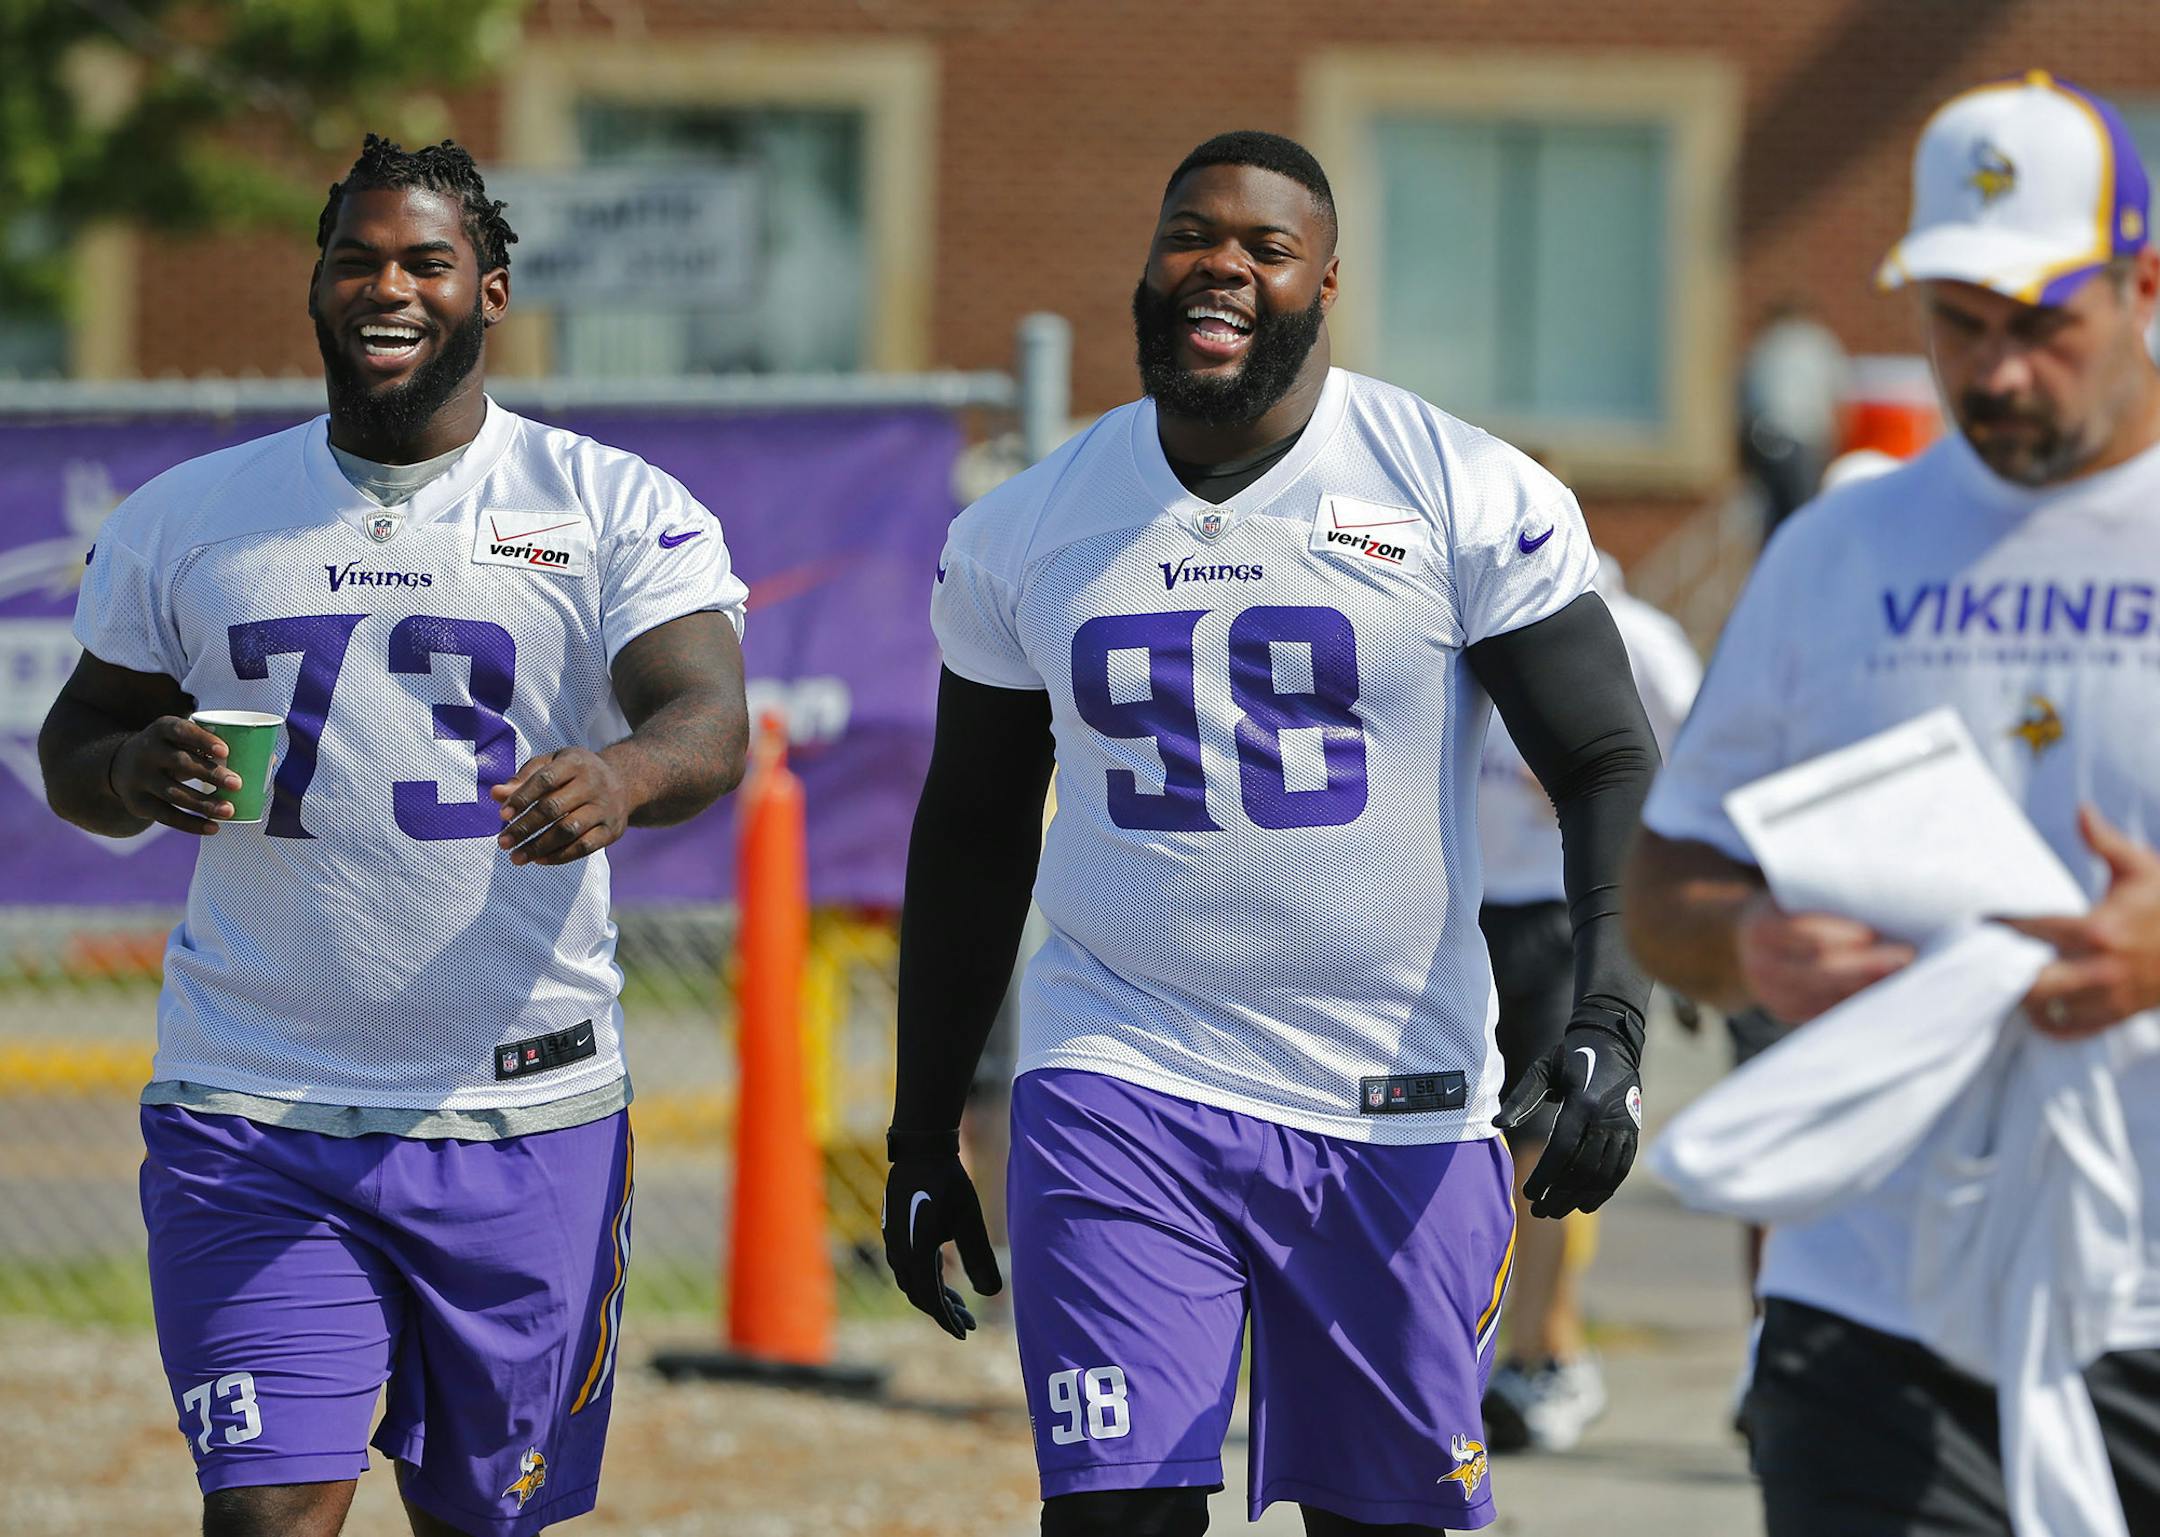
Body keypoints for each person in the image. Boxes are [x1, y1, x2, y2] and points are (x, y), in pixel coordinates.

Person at [882, 130, 1660, 1536]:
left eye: (1266, 247)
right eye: (1191, 235)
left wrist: (1613, 1015)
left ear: (1326, 283)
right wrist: (923, 1125)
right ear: (1147, 263)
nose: (1220, 266)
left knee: (1389, 1521)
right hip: (1121, 1075)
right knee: (1114, 1519)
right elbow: (974, 830)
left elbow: (1606, 759)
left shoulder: (1455, 486)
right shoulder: (1028, 527)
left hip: (1392, 1095)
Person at [36, 135, 749, 1537]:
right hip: (254, 1096)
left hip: (522, 1106)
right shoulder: (192, 515)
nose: (389, 287)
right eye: (357, 259)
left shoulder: (607, 501)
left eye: (427, 262)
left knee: (485, 1520)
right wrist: (133, 765)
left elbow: (709, 718)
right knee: (270, 1507)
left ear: (490, 291)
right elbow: (75, 750)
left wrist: (620, 776)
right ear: (316, 285)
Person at [1625, 72, 2160, 1535]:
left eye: (2041, 325)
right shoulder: (1836, 551)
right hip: (1871, 1305)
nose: (1995, 373)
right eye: (1958, 323)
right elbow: (1668, 878)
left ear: (2144, 286)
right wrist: (1750, 943)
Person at [1476, 549, 1700, 1452]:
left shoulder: (1638, 633)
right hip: (1461, 906)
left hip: (1568, 911)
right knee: (1472, 1144)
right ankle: (1505, 1348)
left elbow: (1704, 755)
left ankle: (1544, 1351)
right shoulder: (1458, 595)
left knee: (1547, 1140)